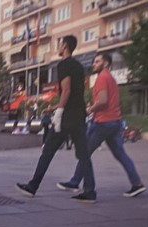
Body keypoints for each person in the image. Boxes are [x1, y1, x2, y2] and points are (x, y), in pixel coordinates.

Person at [55, 51, 147, 197]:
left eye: (97, 62)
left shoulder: (102, 78)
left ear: (106, 63)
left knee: (84, 152)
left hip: (102, 123)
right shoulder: (111, 78)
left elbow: (103, 101)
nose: (94, 64)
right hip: (115, 122)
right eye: (94, 62)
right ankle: (137, 184)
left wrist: (89, 110)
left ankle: (75, 182)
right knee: (120, 154)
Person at [15, 34, 93, 201]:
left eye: (60, 44)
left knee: (48, 151)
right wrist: (55, 107)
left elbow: (67, 90)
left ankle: (32, 186)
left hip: (67, 117)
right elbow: (77, 92)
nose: (58, 47)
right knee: (83, 154)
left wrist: (59, 112)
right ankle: (90, 192)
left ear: (64, 46)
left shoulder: (63, 64)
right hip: (79, 114)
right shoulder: (79, 66)